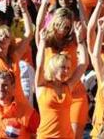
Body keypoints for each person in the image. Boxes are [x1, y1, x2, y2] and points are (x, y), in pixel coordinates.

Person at [35, 8, 89, 138]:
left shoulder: (67, 87)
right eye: (63, 68)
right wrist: (42, 43)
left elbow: (83, 63)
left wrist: (81, 41)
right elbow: (40, 64)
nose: (66, 71)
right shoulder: (42, 85)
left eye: (67, 27)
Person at [0, 70, 40, 138]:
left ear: (13, 87)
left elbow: (39, 135)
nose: (1, 89)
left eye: (5, 85)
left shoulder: (28, 112)